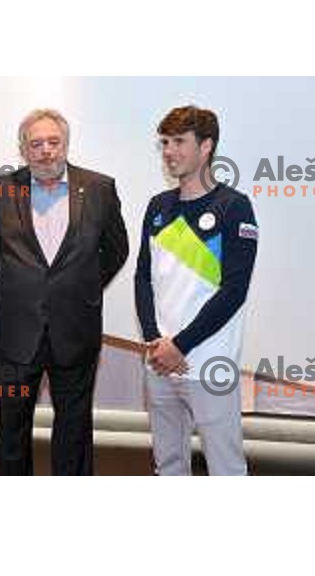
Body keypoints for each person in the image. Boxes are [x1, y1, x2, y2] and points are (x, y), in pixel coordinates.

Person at [0, 109, 129, 475]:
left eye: (53, 142)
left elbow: (117, 249)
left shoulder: (99, 188)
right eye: (36, 144)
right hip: (16, 332)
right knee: (13, 428)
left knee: (74, 429)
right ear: (23, 149)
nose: (46, 151)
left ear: (66, 144)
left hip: (75, 329)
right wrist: (25, 288)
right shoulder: (1, 190)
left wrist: (80, 287)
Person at [135, 105, 259, 476]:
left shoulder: (234, 207)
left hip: (210, 365)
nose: (169, 151)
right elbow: (143, 278)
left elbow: (233, 290)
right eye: (165, 143)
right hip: (159, 363)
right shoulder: (158, 207)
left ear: (206, 147)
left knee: (226, 469)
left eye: (179, 142)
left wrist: (181, 345)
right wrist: (157, 342)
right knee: (169, 466)